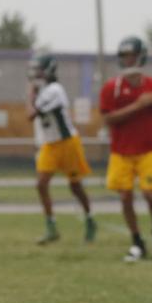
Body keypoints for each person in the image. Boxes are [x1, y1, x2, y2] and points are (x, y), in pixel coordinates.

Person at [99, 36, 152, 262]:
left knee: (150, 194)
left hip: (148, 149)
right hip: (121, 151)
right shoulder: (112, 87)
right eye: (124, 56)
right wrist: (138, 105)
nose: (128, 60)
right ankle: (136, 241)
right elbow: (108, 119)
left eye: (131, 55)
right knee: (125, 197)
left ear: (141, 56)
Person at [26, 54, 97, 245]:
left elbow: (31, 114)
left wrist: (30, 93)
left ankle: (90, 219)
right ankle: (51, 227)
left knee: (75, 186)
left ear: (49, 69)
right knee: (41, 184)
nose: (35, 73)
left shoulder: (55, 90)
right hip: (50, 144)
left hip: (67, 143)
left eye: (38, 69)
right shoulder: (43, 91)